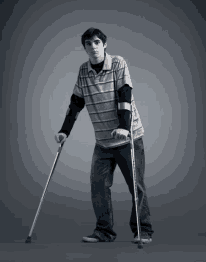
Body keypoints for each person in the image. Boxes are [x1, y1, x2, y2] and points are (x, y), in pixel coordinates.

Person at [55, 27, 154, 243]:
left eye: (97, 42)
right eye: (88, 44)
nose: (93, 47)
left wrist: (124, 127)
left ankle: (143, 231)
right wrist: (64, 131)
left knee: (136, 186)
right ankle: (104, 232)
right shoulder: (83, 70)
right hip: (103, 142)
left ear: (104, 44)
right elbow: (76, 103)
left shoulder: (118, 63)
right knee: (98, 186)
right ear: (84, 48)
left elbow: (125, 95)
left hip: (128, 138)